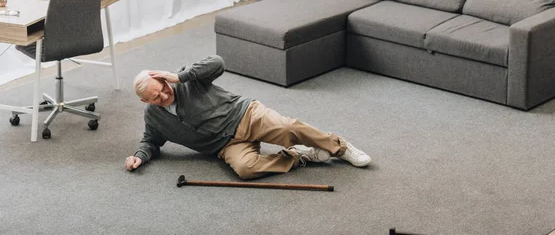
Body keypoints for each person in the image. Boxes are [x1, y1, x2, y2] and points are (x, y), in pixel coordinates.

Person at [125, 55, 371, 179]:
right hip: (226, 146)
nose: (164, 95)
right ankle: (298, 156)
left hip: (245, 115)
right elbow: (150, 141)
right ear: (144, 101)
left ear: (163, 80)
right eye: (155, 97)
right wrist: (139, 157)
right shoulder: (154, 117)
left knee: (287, 128)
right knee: (245, 169)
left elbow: (218, 63)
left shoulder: (185, 80)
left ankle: (340, 147)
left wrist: (181, 77)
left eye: (163, 88)